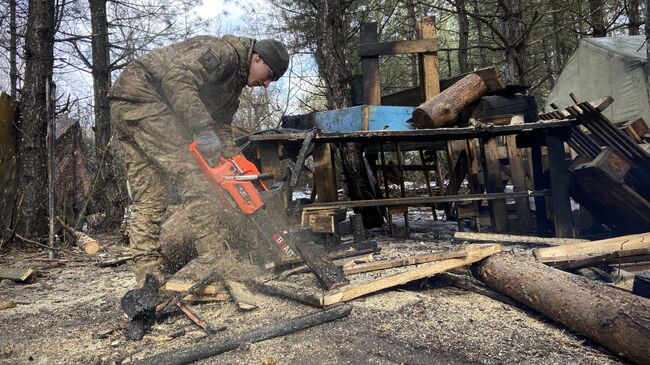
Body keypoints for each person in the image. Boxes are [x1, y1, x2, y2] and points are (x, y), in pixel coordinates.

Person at [109, 35, 290, 288]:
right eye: (269, 74)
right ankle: (214, 260)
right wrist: (202, 129)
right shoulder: (223, 54)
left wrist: (235, 163)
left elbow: (222, 127)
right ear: (257, 57)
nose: (266, 84)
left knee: (150, 195)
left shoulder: (233, 86)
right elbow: (177, 79)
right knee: (196, 178)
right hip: (145, 99)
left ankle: (148, 278)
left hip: (128, 106)